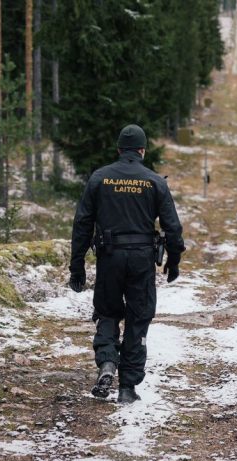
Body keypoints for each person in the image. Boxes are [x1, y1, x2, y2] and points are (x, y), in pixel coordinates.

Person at [68, 124, 185, 403]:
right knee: (138, 318)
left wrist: (77, 265)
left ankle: (107, 362)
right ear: (142, 150)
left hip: (109, 257)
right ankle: (127, 387)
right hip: (142, 260)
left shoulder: (100, 178)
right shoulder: (155, 182)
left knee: (108, 312)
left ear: (119, 149)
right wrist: (174, 261)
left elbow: (82, 224)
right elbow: (173, 228)